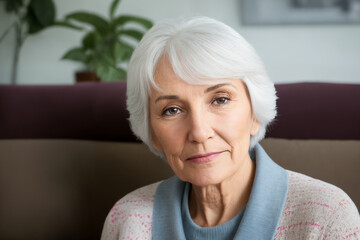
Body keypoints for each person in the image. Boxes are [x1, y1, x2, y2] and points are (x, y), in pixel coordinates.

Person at [101, 16, 360, 239]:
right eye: (172, 110)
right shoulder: (128, 221)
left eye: (220, 99)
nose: (200, 132)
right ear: (152, 132)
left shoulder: (327, 216)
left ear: (254, 113)